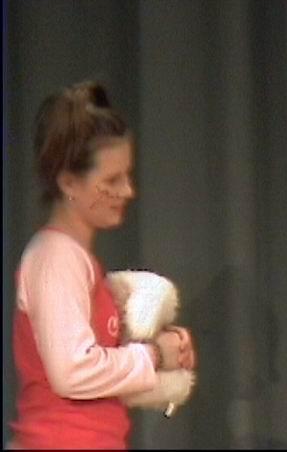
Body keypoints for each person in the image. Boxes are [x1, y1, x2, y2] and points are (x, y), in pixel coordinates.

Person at [8, 81, 197, 449]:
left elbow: (101, 378)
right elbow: (73, 371)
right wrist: (155, 355)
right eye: (112, 179)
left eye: (127, 176)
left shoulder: (75, 260)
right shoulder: (55, 258)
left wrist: (166, 354)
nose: (127, 191)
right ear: (68, 182)